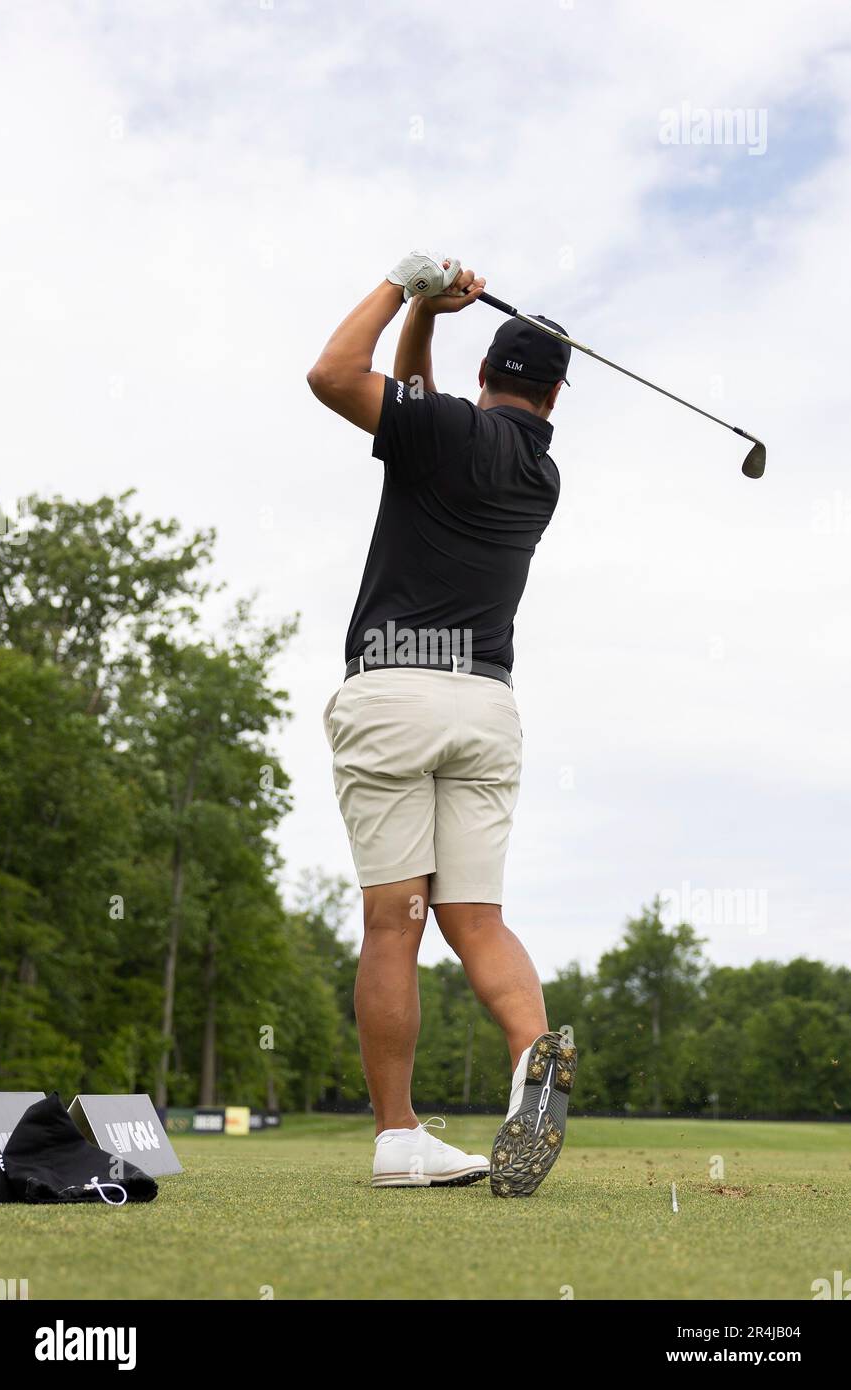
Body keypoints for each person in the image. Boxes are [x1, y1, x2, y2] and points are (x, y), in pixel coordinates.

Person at [307, 252, 577, 1196]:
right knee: (477, 918)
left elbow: (333, 375)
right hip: (486, 707)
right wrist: (427, 312)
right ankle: (530, 1057)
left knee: (396, 923)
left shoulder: (441, 433)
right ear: (554, 396)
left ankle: (396, 1138)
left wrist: (396, 284)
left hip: (394, 694)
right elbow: (420, 402)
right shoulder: (541, 474)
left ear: (484, 375)